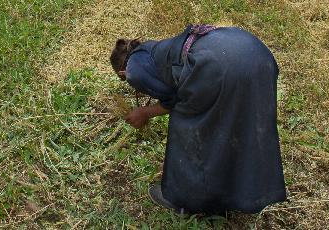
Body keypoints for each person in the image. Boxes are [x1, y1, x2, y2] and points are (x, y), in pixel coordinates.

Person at [110, 25, 287, 216]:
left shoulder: (133, 69)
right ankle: (234, 189)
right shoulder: (153, 49)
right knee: (237, 123)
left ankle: (184, 199)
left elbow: (174, 100)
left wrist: (144, 113)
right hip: (256, 54)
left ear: (121, 73)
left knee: (189, 125)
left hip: (217, 66)